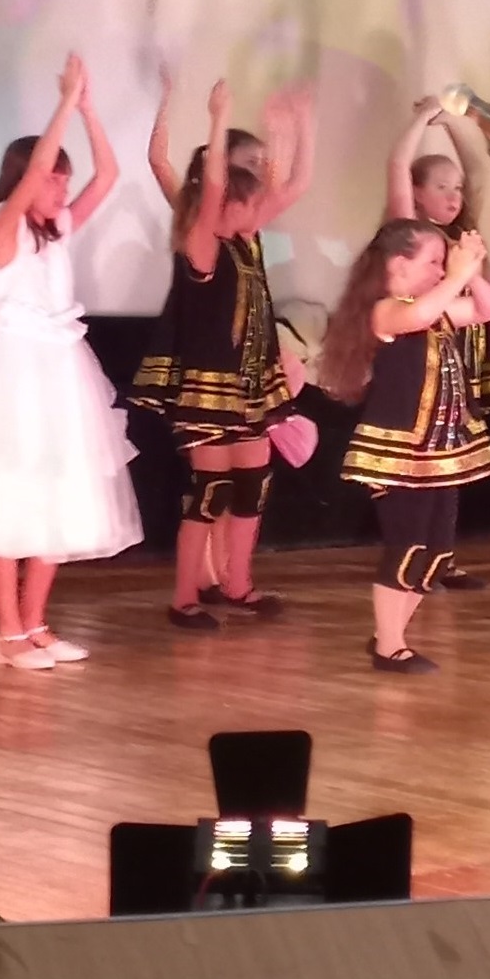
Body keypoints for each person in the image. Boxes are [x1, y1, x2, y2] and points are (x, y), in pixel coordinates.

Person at [0, 52, 141, 673]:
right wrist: (63, 103)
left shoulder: (58, 229)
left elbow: (109, 175)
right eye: (52, 179)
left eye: (63, 181)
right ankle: (6, 632)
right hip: (11, 376)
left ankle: (35, 623)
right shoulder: (0, 223)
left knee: (54, 498)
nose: (60, 188)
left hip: (60, 374)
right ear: (25, 180)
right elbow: (36, 167)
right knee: (5, 500)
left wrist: (88, 109)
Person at [130, 77, 311, 625]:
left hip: (249, 388)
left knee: (252, 489)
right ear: (226, 204)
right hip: (208, 391)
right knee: (211, 493)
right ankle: (185, 597)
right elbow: (202, 186)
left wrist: (301, 125)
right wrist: (216, 116)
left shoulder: (244, 239)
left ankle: (239, 585)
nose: (261, 214)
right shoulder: (204, 244)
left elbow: (294, 185)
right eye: (249, 204)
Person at [316, 215, 490, 674]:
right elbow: (416, 317)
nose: (441, 270)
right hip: (397, 456)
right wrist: (456, 276)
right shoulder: (385, 310)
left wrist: (473, 271)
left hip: (439, 454)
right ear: (398, 265)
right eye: (432, 262)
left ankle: (389, 634)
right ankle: (390, 646)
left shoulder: (437, 309)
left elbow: (488, 310)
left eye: (443, 262)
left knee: (435, 553)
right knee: (408, 546)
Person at [387, 101, 490, 588]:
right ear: (417, 195)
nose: (454, 196)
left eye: (455, 188)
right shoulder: (407, 233)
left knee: (453, 462)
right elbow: (398, 165)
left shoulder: (460, 236)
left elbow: (477, 173)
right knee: (422, 467)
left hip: (459, 361)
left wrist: (454, 123)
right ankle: (413, 562)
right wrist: (422, 119)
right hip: (421, 365)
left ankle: (443, 560)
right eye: (440, 187)